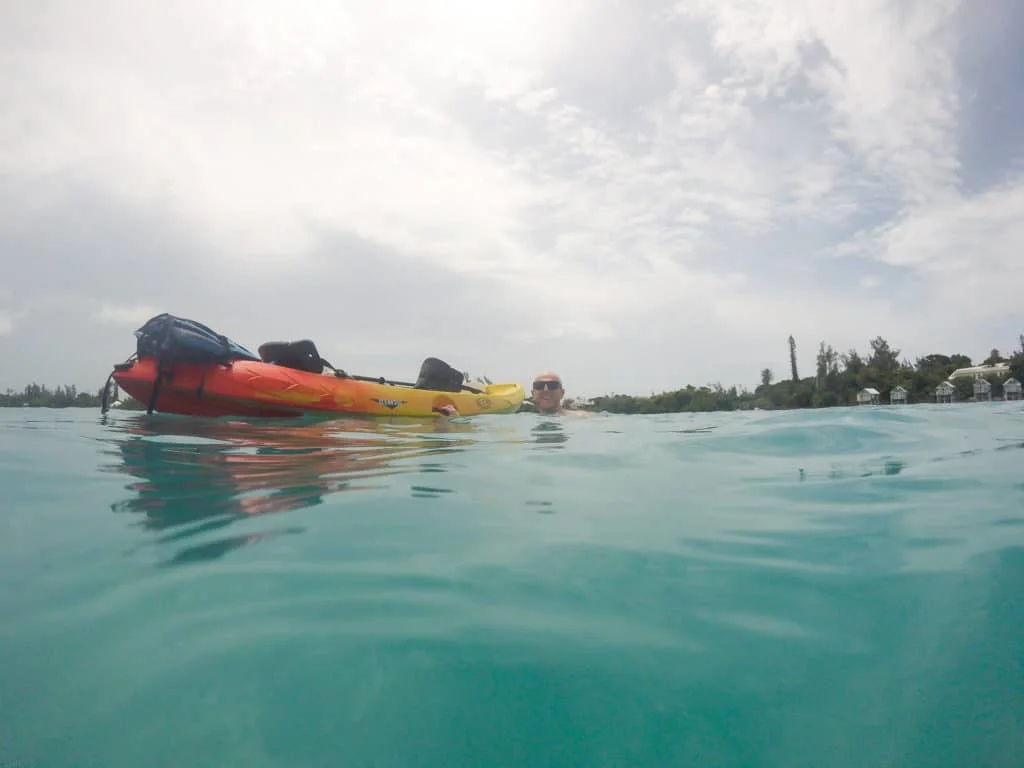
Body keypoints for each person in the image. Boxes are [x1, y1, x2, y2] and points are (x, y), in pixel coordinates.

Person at [433, 370, 588, 418]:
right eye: (540, 386)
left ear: (562, 393)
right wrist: (454, 420)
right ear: (533, 393)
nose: (546, 389)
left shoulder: (580, 418)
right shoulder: (521, 420)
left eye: (553, 385)